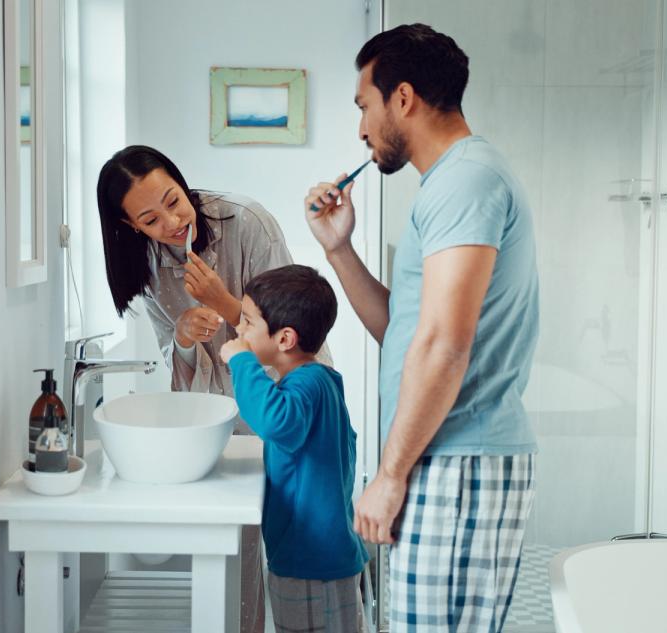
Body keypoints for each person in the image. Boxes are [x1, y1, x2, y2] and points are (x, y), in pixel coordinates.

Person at [303, 24, 540, 630]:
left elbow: (444, 344)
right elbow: (408, 334)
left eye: (364, 105)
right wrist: (339, 250)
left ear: (401, 98)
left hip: (459, 456)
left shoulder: (466, 180)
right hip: (443, 455)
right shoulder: (451, 183)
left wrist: (389, 474)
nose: (360, 128)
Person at [96, 144, 297, 633]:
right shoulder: (143, 260)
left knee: (297, 553)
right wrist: (184, 335)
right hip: (220, 419)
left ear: (182, 182)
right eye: (149, 218)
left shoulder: (249, 223)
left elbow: (293, 338)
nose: (170, 221)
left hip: (284, 403)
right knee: (238, 548)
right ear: (130, 227)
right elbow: (175, 361)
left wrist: (224, 303)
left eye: (173, 199)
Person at [219, 265, 369, 633]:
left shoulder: (307, 385)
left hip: (312, 563)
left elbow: (275, 421)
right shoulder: (318, 381)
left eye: (248, 323)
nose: (239, 330)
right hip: (316, 557)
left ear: (284, 338)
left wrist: (241, 360)